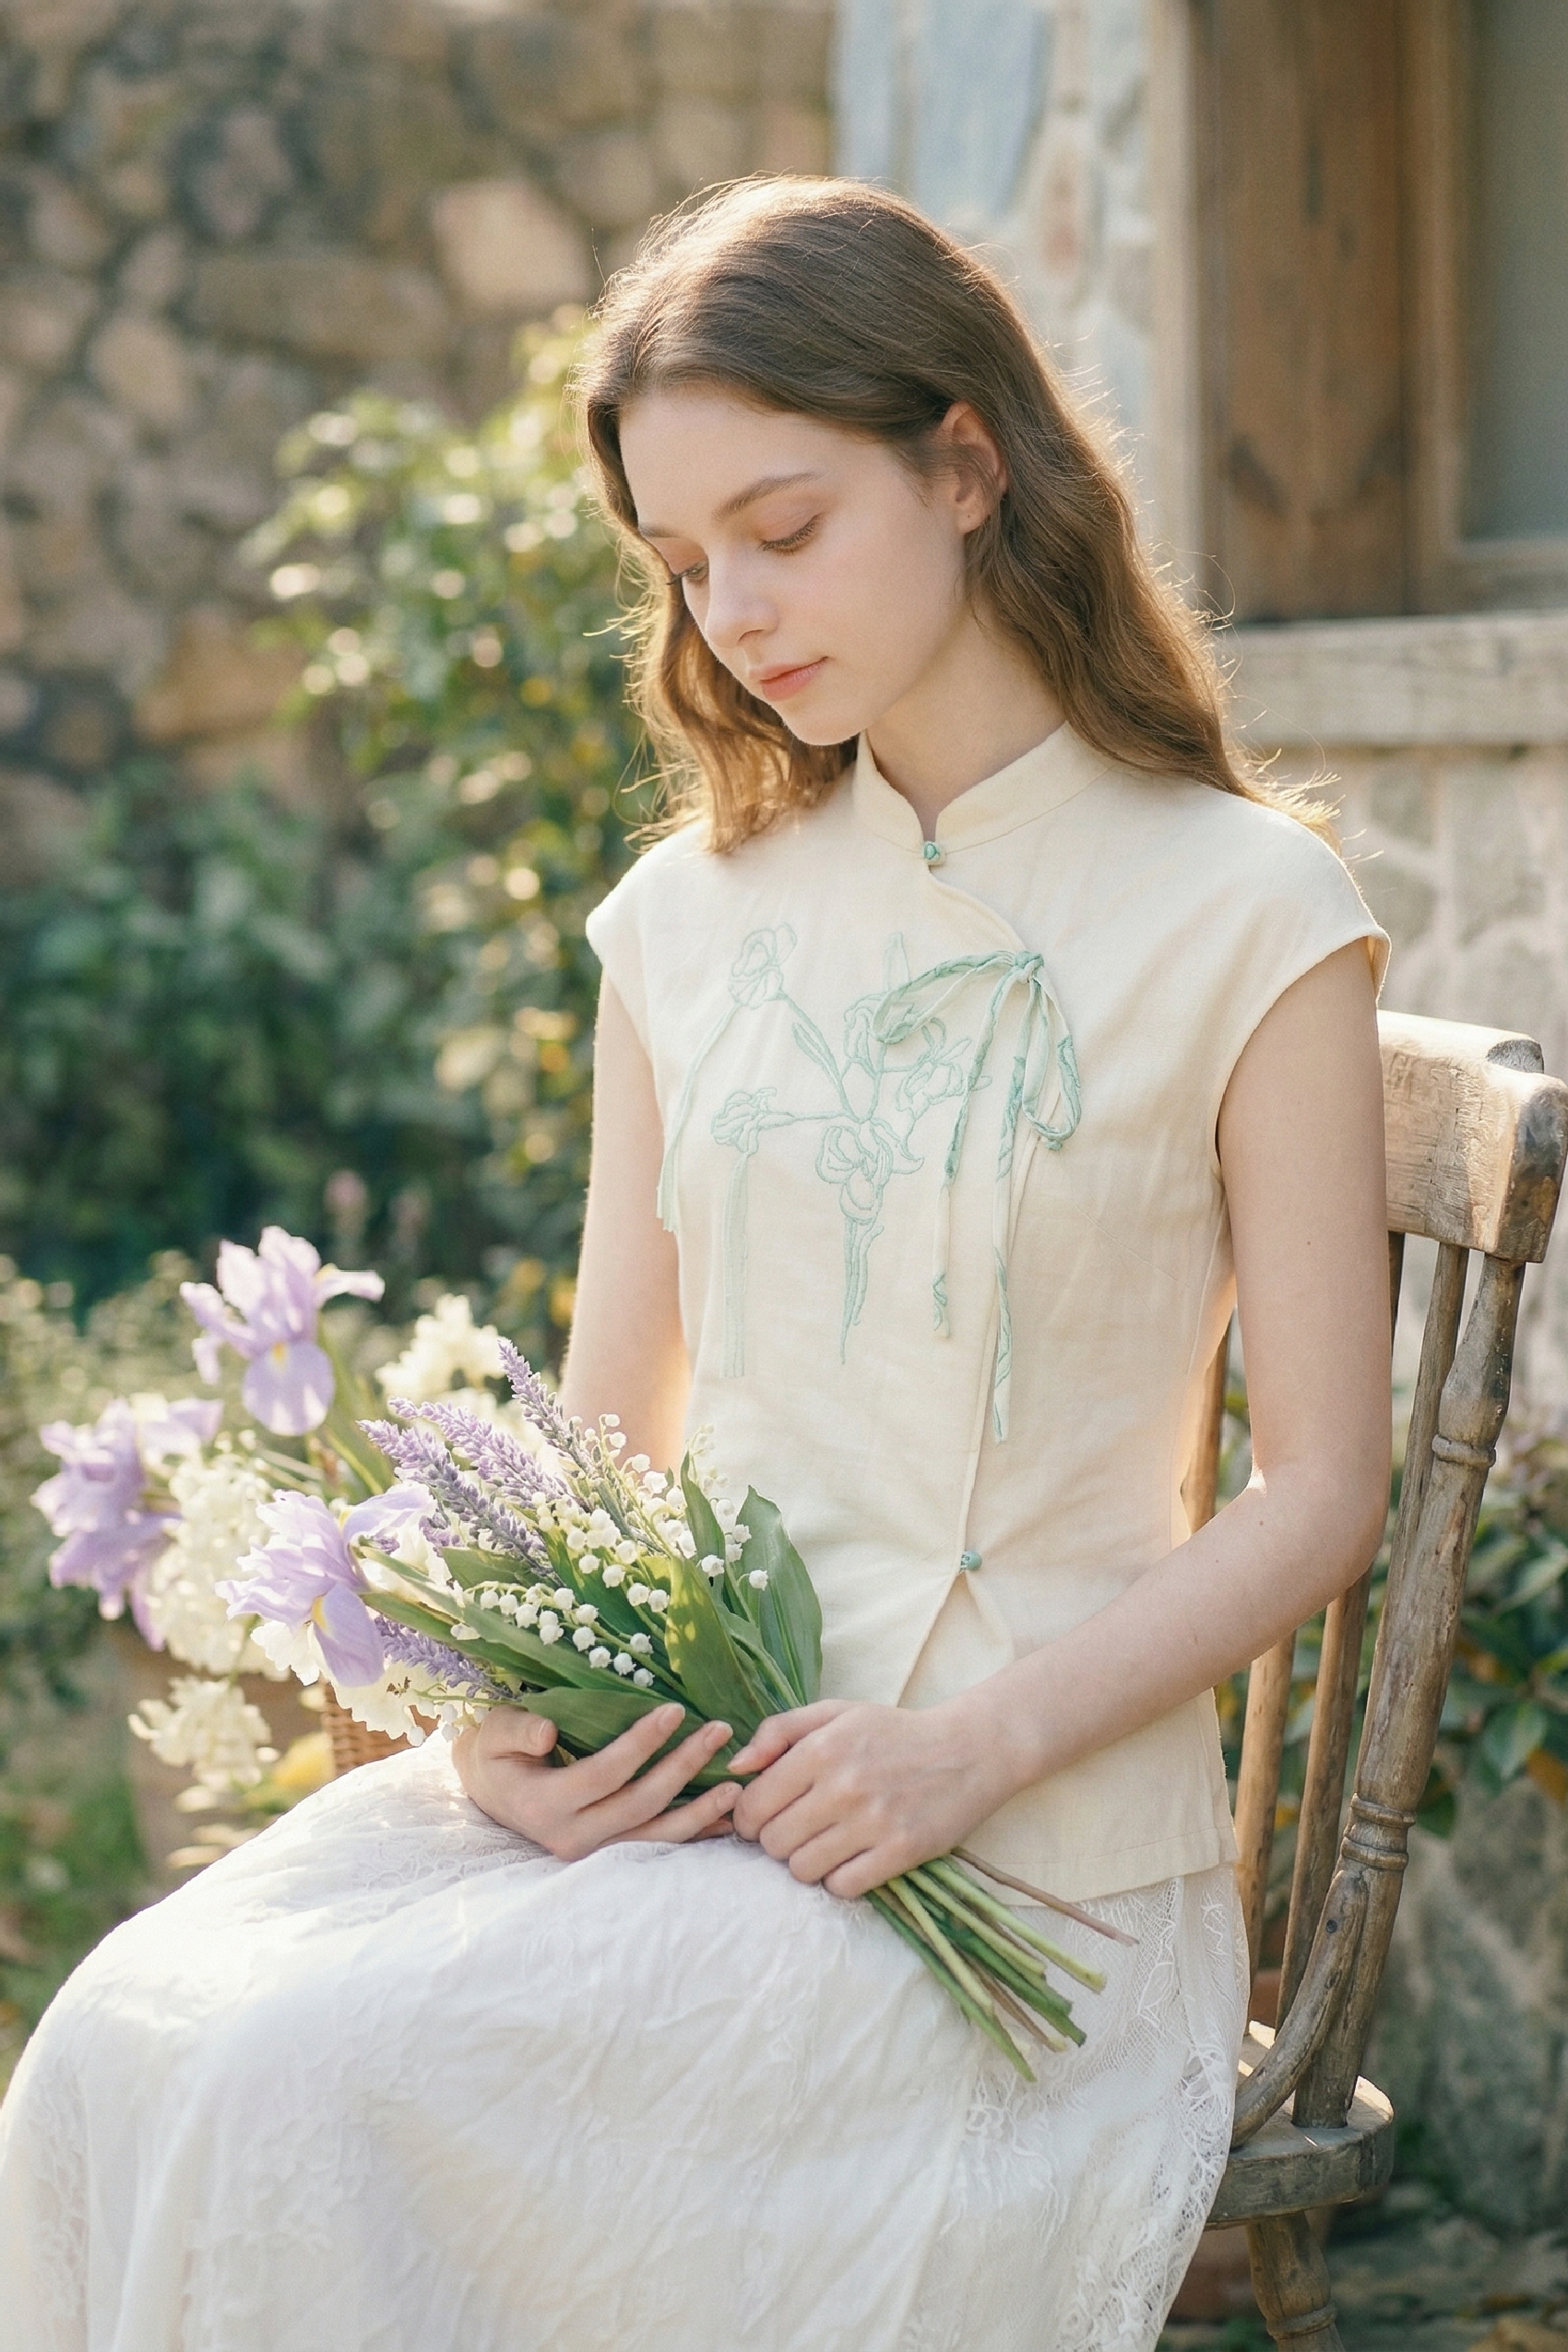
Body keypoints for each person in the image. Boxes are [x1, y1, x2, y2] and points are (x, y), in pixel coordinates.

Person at [0, 178, 1391, 2351]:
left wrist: (966, 1749)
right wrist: (502, 1726)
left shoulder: (1247, 907)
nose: (733, 611)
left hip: (1032, 1873)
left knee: (301, 2079)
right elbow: (604, 1436)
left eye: (782, 527)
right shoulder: (685, 922)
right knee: (121, 2027)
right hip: (690, 1794)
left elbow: (1322, 1493)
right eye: (680, 561)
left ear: (964, 462)